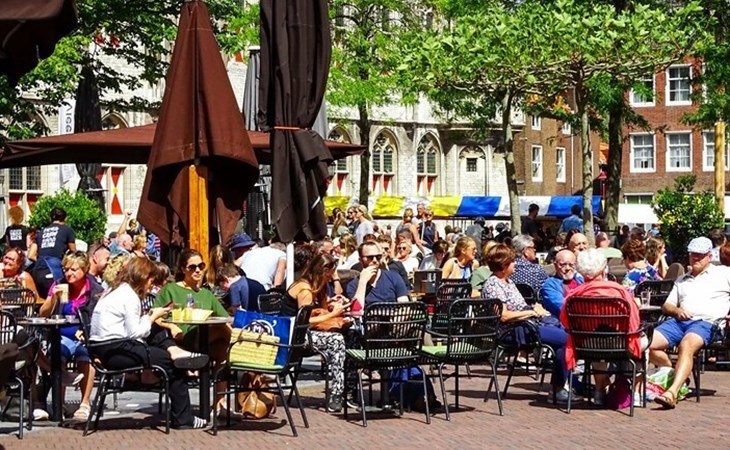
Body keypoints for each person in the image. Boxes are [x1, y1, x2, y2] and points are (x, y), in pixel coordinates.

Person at [89, 257, 209, 429]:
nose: (151, 285)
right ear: (143, 277)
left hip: (103, 348)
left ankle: (174, 350)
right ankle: (184, 419)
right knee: (173, 363)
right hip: (117, 351)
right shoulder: (130, 296)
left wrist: (151, 318)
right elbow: (135, 333)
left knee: (155, 330)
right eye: (151, 280)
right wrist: (153, 316)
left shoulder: (113, 292)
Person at [481, 244, 573, 403]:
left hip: (526, 326)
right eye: (512, 262)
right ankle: (558, 389)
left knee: (566, 337)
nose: (515, 264)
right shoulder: (493, 284)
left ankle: (560, 387)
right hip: (512, 331)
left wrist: (534, 308)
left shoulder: (508, 282)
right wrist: (531, 313)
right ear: (503, 265)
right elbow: (504, 316)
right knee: (567, 340)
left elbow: (520, 306)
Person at [649, 237, 730, 409]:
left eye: (700, 255)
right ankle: (676, 374)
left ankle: (672, 393)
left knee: (686, 345)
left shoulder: (723, 273)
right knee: (645, 343)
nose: (695, 258)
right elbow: (667, 305)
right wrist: (677, 310)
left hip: (707, 324)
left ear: (709, 256)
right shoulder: (682, 279)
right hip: (679, 322)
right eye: (693, 254)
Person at [560, 248, 645, 406]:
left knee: (597, 342)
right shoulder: (620, 292)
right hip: (620, 343)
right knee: (644, 343)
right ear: (603, 269)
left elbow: (565, 322)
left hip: (586, 345)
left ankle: (599, 392)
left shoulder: (573, 296)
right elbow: (634, 323)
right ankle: (636, 393)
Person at [39, 251, 103, 421]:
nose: (68, 273)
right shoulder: (59, 284)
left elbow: (100, 317)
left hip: (85, 335)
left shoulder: (95, 290)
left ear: (85, 269)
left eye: (74, 269)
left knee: (85, 354)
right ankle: (59, 404)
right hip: (62, 334)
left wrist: (86, 331)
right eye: (66, 269)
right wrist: (54, 298)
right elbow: (43, 313)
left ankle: (85, 403)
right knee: (57, 352)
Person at [282, 253, 349, 412]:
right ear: (322, 272)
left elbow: (322, 310)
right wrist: (333, 314)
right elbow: (304, 322)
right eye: (329, 275)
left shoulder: (319, 287)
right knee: (337, 340)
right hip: (293, 335)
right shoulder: (305, 289)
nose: (331, 279)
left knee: (349, 334)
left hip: (306, 332)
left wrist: (332, 303)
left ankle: (347, 387)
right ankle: (337, 393)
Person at [345, 242, 409, 309]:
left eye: (378, 257)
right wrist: (362, 283)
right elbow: (357, 311)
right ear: (360, 260)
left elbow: (404, 306)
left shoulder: (394, 277)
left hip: (392, 315)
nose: (375, 260)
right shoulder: (353, 285)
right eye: (370, 257)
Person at [29, 207, 76, 298]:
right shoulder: (67, 230)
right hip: (54, 270)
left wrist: (42, 261)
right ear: (65, 219)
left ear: (50, 219)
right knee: (62, 299)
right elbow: (74, 252)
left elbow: (30, 255)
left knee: (43, 301)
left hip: (37, 271)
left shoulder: (41, 232)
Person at [540, 249, 584, 317]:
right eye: (563, 265)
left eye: (571, 265)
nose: (567, 268)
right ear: (555, 265)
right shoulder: (550, 285)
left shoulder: (580, 280)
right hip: (564, 320)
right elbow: (561, 307)